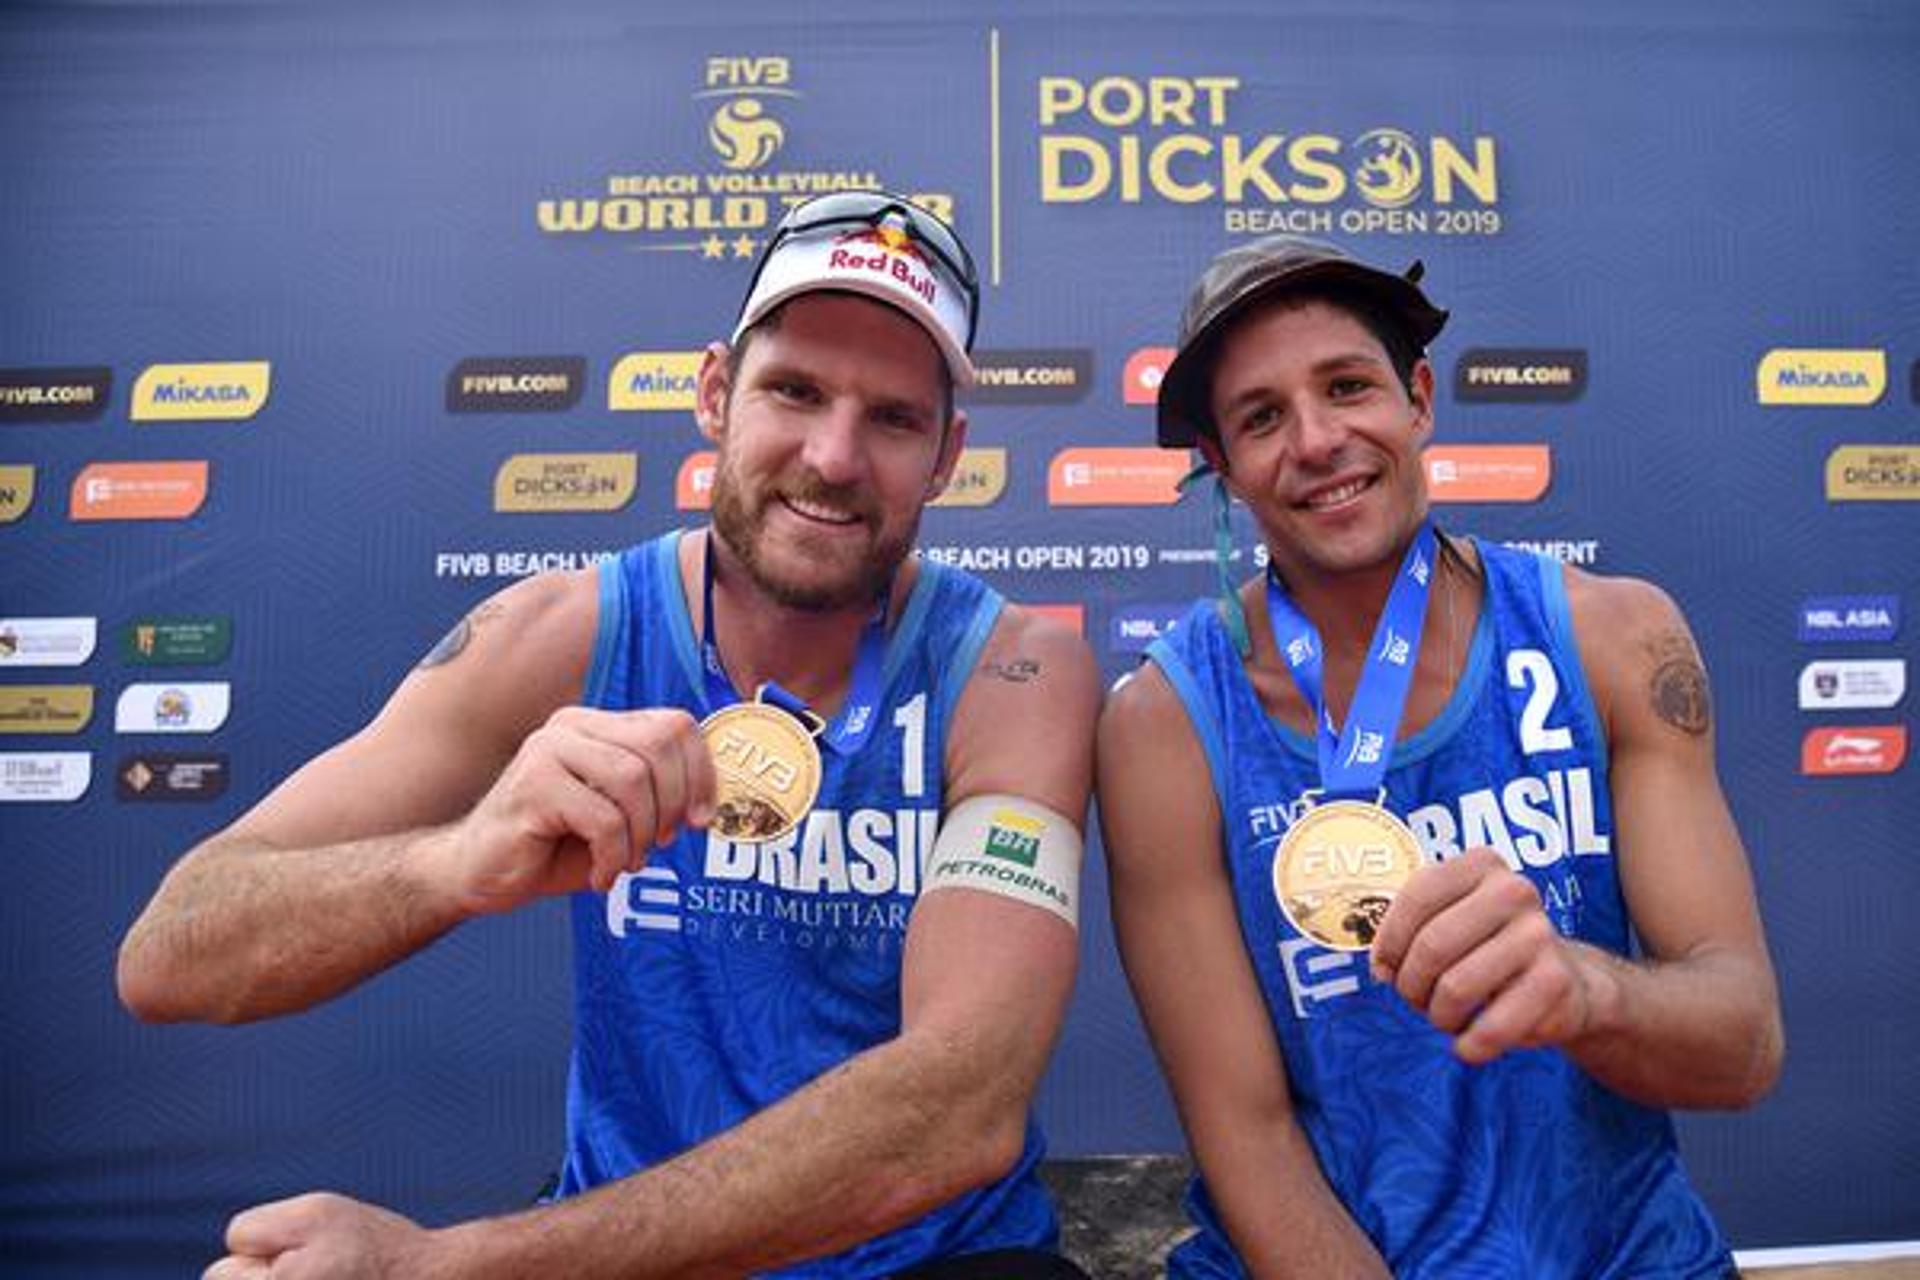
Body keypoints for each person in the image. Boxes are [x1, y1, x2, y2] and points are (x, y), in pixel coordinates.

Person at [118, 191, 1099, 1279]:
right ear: (716, 393)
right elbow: (171, 952)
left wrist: (449, 1263)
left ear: (948, 454)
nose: (832, 455)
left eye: (894, 418)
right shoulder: (562, 632)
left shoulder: (1010, 671)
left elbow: (959, 1105)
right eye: (796, 390)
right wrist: (457, 862)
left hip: (926, 1262)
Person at [1096, 234, 1783, 1278]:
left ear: (1417, 396)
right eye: (1262, 416)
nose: (1318, 439)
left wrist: (1585, 990)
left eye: (1347, 385)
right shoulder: (1166, 723)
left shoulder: (1616, 636)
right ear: (1223, 465)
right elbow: (1248, 1132)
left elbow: (1742, 1042)